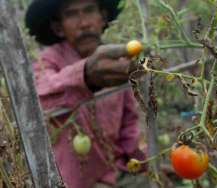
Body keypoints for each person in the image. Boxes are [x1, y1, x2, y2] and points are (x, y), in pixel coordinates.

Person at [25, 0, 145, 187]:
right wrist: (85, 76)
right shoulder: (49, 60)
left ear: (102, 17)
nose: (84, 23)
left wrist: (144, 163)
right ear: (58, 27)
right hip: (70, 181)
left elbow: (128, 121)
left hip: (114, 175)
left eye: (89, 11)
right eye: (72, 14)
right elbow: (37, 97)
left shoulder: (116, 63)